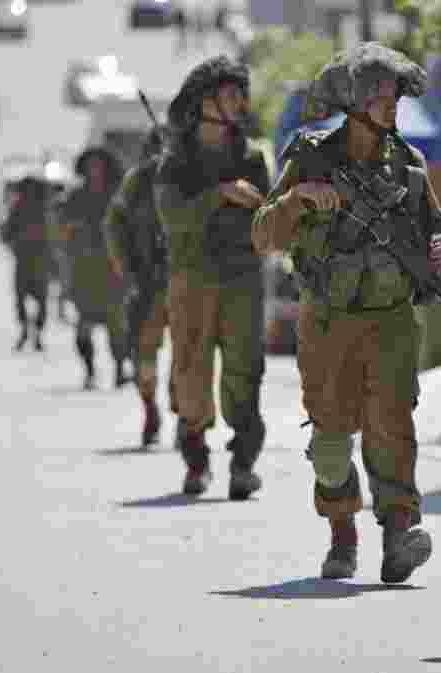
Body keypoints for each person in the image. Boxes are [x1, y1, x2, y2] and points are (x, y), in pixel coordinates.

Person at [251, 42, 441, 584]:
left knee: (393, 428)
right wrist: (297, 201)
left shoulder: (409, 165)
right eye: (377, 94)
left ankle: (398, 534)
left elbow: (433, 228)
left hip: (390, 319)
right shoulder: (310, 155)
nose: (390, 104)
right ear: (351, 101)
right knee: (331, 436)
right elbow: (263, 236)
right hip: (328, 320)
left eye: (393, 94)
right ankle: (342, 532)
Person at [154, 56, 272, 499]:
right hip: (193, 279)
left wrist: (255, 201)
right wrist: (219, 194)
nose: (239, 102)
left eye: (241, 93)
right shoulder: (176, 162)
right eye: (229, 93)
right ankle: (196, 459)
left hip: (242, 277)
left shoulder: (250, 156)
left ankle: (243, 463)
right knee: (191, 370)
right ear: (205, 101)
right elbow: (173, 217)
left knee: (245, 371)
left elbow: (267, 212)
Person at [104, 127, 175, 447]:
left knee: (190, 354)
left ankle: (186, 415)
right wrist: (127, 267)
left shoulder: (192, 175)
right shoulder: (138, 181)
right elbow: (114, 223)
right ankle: (150, 408)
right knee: (144, 354)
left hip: (188, 280)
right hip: (148, 282)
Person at [57, 147, 130, 390]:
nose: (94, 170)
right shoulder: (76, 197)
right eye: (91, 165)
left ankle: (120, 368)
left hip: (113, 267)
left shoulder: (118, 194)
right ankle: (89, 371)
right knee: (83, 325)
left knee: (116, 325)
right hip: (85, 268)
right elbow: (63, 229)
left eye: (99, 165)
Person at [2, 175, 52, 351]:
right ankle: (32, 330)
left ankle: (29, 329)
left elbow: (6, 233)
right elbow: (6, 233)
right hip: (32, 259)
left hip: (31, 259)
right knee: (37, 298)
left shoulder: (29, 208)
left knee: (26, 298)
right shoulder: (40, 208)